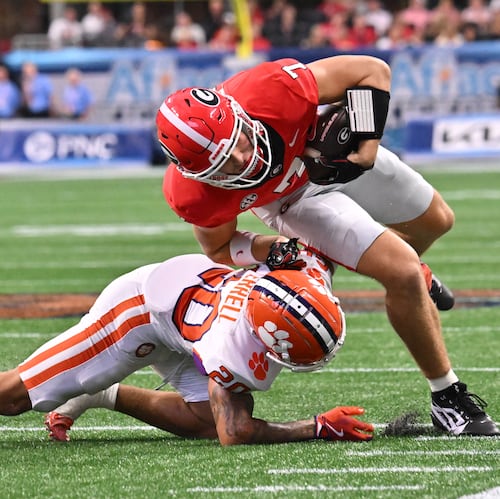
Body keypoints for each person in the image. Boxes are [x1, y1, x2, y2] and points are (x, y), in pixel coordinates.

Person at [155, 55, 499, 436]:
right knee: (400, 271)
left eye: (241, 141)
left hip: (326, 156)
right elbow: (221, 249)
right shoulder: (194, 195)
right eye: (226, 166)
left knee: (437, 221)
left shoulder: (270, 90)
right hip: (293, 200)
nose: (244, 158)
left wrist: (366, 145)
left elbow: (372, 71)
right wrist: (271, 248)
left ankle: (413, 274)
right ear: (196, 174)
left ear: (240, 114)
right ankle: (447, 398)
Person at [0, 250, 374, 446]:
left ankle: (97, 396)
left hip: (184, 314)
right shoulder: (229, 349)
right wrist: (316, 427)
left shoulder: (300, 275)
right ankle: (82, 389)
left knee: (205, 421)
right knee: (13, 398)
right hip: (136, 313)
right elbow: (237, 434)